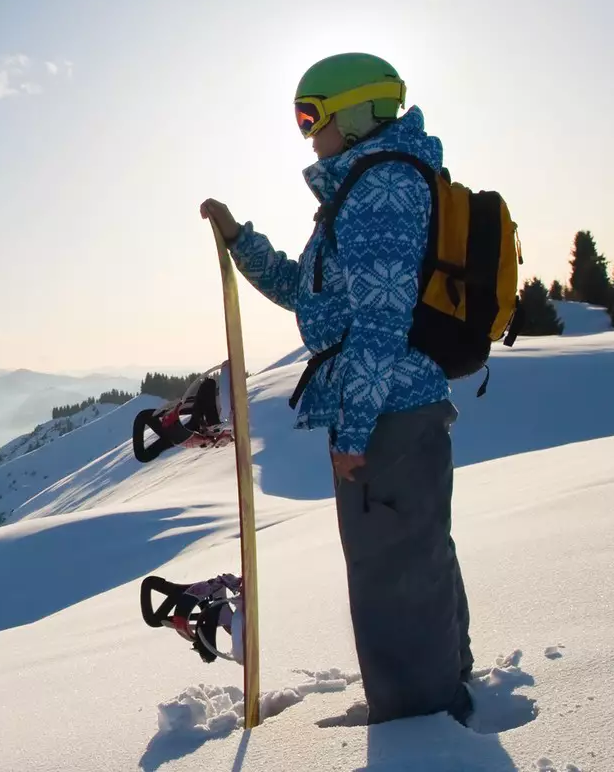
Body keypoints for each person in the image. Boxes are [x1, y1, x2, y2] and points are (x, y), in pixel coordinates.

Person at [200, 52, 473, 725]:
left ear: (355, 112)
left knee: (391, 574)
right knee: (413, 557)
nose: (305, 132)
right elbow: (308, 292)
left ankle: (421, 729)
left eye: (309, 115)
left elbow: (382, 318)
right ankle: (442, 692)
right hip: (394, 404)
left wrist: (354, 435)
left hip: (390, 411)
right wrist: (241, 239)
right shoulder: (360, 188)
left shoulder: (380, 187)